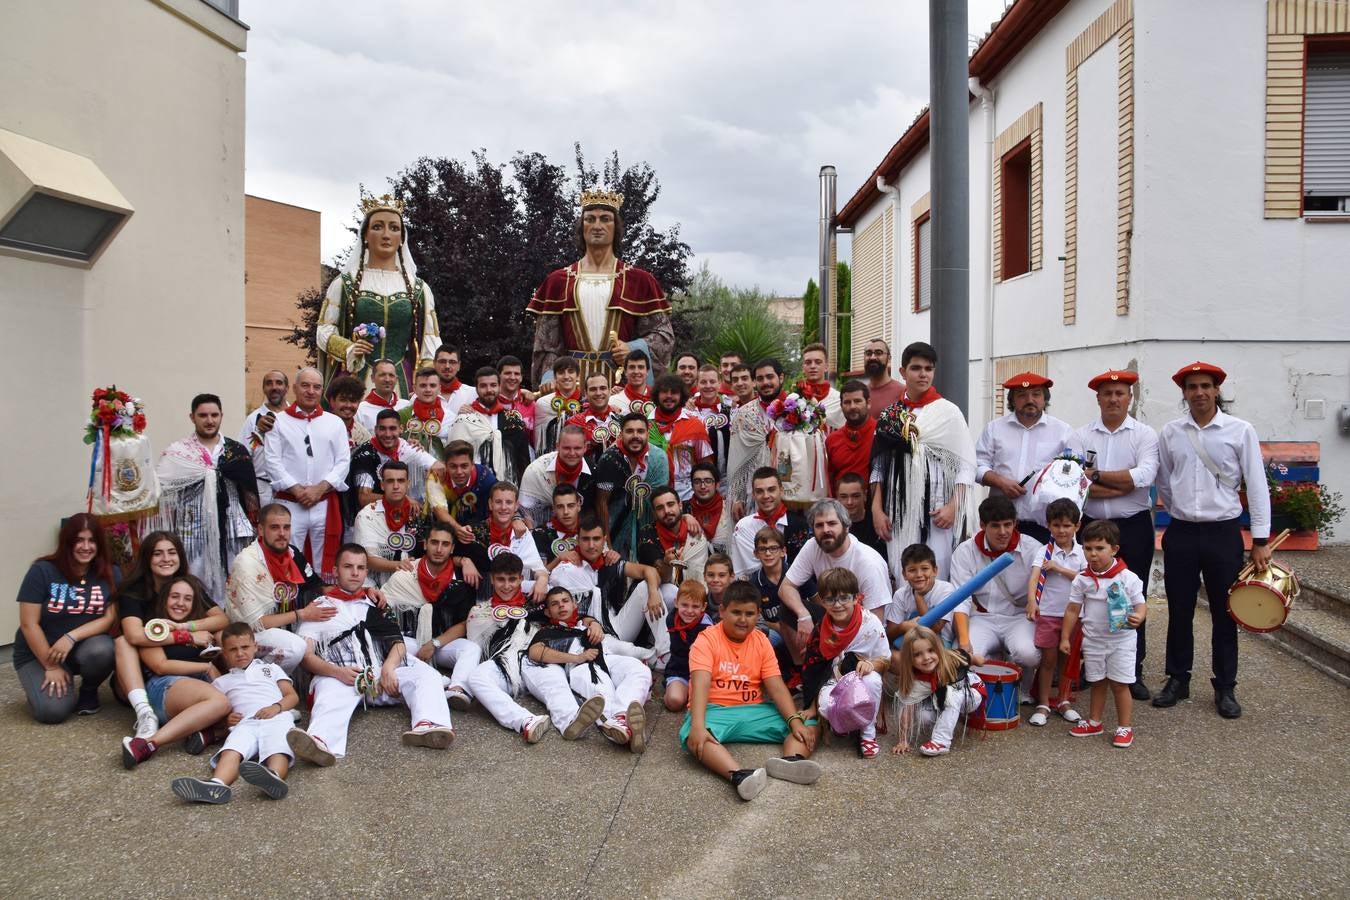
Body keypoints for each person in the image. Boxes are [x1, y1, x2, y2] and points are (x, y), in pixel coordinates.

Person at [1154, 361, 1270, 719]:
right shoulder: (1171, 432)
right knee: (1180, 611)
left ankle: (1225, 687)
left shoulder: (1239, 430)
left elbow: (1256, 482)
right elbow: (1164, 482)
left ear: (1217, 389)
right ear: (1184, 393)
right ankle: (1177, 679)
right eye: (1192, 387)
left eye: (1206, 386)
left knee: (1225, 613)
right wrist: (1183, 513)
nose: (1200, 392)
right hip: (1183, 532)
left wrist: (1261, 539)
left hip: (1223, 533)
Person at [287, 544, 454, 767]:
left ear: (367, 572)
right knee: (329, 691)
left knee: (427, 676)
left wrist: (388, 667)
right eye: (348, 567)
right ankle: (321, 743)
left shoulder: (375, 602)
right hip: (341, 675)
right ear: (335, 570)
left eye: (360, 567)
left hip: (380, 675)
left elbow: (398, 642)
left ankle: (429, 725)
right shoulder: (319, 607)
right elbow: (306, 656)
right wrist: (337, 672)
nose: (355, 573)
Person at [681, 581, 820, 802]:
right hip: (715, 711)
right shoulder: (706, 639)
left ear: (758, 615)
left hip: (753, 710)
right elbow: (700, 684)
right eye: (736, 612)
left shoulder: (761, 641)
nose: (743, 620)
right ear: (722, 611)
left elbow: (776, 686)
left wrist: (794, 720)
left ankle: (791, 761)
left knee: (808, 722)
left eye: (749, 614)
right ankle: (739, 775)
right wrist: (698, 725)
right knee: (692, 735)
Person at [527, 189, 673, 388]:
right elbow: (546, 343)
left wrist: (632, 348)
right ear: (581, 226)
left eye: (605, 219)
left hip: (621, 385)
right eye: (590, 219)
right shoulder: (558, 281)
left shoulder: (639, 280)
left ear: (616, 227)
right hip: (571, 386)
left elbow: (663, 335)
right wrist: (549, 377)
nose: (597, 226)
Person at [1074, 368, 1160, 701]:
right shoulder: (1081, 436)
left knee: (1133, 595)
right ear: (1098, 398)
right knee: (1088, 596)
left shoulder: (1144, 435)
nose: (1113, 399)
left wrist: (1097, 479)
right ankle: (1088, 667)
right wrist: (1117, 485)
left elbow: (1145, 475)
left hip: (1133, 526)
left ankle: (1132, 670)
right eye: (1107, 394)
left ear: (1130, 397)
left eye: (1120, 393)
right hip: (1092, 524)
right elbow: (1076, 483)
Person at [870, 341, 976, 581]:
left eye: (928, 368)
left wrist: (953, 505)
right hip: (898, 511)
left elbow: (966, 465)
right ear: (902, 372)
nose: (923, 374)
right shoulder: (891, 415)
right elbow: (878, 466)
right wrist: (876, 509)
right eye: (916, 368)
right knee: (902, 573)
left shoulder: (949, 412)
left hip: (937, 511)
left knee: (936, 577)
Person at [317, 192, 439, 395]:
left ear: (402, 238)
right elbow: (324, 329)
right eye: (377, 226)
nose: (386, 234)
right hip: (354, 378)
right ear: (365, 235)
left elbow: (430, 340)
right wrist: (349, 348)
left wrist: (425, 379)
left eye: (393, 228)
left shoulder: (420, 289)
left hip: (403, 381)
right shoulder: (343, 284)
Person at [168, 622, 298, 804]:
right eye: (233, 649)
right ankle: (217, 784)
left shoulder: (271, 669)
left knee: (278, 749)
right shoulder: (222, 682)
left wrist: (276, 707)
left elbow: (291, 696)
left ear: (255, 647)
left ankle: (273, 777)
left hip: (276, 717)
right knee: (231, 751)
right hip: (244, 723)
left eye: (245, 647)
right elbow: (216, 711)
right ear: (224, 653)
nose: (240, 653)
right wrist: (226, 721)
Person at [149, 393, 259, 600]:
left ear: (221, 416)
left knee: (237, 579)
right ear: (192, 417)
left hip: (232, 528)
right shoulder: (178, 453)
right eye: (203, 415)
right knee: (194, 579)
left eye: (214, 415)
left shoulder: (236, 450)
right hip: (193, 529)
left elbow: (250, 493)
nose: (209, 420)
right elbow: (161, 489)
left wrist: (255, 524)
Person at [13, 514, 118, 723]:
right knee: (52, 712)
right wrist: (50, 666)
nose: (86, 547)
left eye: (92, 541)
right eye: (79, 540)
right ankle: (49, 681)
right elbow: (28, 623)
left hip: (81, 648)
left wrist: (71, 637)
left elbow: (108, 619)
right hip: (38, 653)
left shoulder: (110, 573)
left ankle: (88, 690)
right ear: (67, 542)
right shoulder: (42, 571)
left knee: (105, 649)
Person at [120, 575, 232, 768]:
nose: (180, 603)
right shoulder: (154, 626)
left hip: (194, 689)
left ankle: (209, 734)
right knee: (220, 702)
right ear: (165, 598)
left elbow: (222, 620)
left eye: (187, 599)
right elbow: (160, 666)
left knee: (236, 705)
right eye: (175, 597)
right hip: (165, 686)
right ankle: (147, 745)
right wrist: (206, 666)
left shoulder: (198, 627)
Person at [525, 586, 653, 752]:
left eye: (565, 601)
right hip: (581, 667)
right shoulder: (548, 631)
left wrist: (594, 624)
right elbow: (535, 652)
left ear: (574, 605)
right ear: (548, 612)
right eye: (555, 604)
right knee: (601, 691)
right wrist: (577, 658)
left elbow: (590, 620)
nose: (562, 606)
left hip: (606, 658)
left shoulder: (584, 622)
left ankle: (622, 716)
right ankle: (620, 726)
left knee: (639, 670)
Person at [1061, 520, 1148, 747]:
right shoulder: (1082, 579)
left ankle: (1124, 727)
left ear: (1114, 549)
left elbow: (1141, 604)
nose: (1093, 554)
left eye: (1100, 548)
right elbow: (1072, 610)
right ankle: (1094, 721)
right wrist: (1065, 637)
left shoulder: (1128, 578)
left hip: (1122, 640)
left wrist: (1139, 616)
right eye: (1088, 548)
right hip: (1093, 640)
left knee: (1120, 684)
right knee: (1097, 681)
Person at [949, 496, 1045, 699]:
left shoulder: (1033, 548)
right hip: (983, 617)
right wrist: (965, 642)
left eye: (1008, 525)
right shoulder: (965, 551)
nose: (1003, 532)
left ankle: (1024, 690)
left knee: (1027, 654)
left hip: (1020, 617)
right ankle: (987, 671)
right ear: (983, 525)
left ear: (1015, 523)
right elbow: (961, 599)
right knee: (964, 656)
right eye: (995, 526)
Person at [775, 499, 892, 661]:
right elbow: (785, 587)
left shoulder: (868, 562)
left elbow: (876, 622)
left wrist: (835, 647)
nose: (826, 530)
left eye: (831, 523)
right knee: (787, 610)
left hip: (861, 630)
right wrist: (803, 616)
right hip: (832, 617)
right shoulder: (813, 546)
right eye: (819, 525)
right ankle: (802, 670)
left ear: (846, 526)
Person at [382, 521, 479, 710]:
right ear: (425, 544)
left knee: (471, 649)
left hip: (441, 643)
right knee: (387, 647)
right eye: (434, 543)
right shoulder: (406, 573)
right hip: (409, 642)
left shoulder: (462, 579)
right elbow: (384, 610)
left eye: (445, 544)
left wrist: (434, 644)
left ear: (452, 548)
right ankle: (436, 679)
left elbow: (464, 623)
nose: (439, 549)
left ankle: (457, 689)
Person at [266, 366, 351, 580]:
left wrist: (319, 488)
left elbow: (343, 462)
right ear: (294, 388)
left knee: (325, 560)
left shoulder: (335, 423)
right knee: (290, 554)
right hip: (291, 504)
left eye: (316, 387)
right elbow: (272, 461)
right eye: (305, 385)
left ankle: (321, 601)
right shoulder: (279, 422)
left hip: (323, 502)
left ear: (322, 391)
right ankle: (292, 602)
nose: (311, 391)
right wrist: (297, 490)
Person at [222, 503, 329, 672]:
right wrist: (301, 614)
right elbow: (256, 623)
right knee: (296, 647)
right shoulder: (247, 563)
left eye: (286, 527)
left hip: (285, 624)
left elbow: (318, 586)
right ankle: (261, 680)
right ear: (261, 530)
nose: (282, 534)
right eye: (275, 528)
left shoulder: (291, 553)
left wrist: (360, 592)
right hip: (247, 635)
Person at [113, 531, 200, 738]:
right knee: (123, 641)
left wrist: (186, 627)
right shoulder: (133, 592)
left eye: (172, 552)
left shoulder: (186, 584)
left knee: (222, 633)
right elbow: (134, 636)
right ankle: (144, 713)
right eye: (158, 554)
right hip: (140, 676)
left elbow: (220, 618)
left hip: (177, 668)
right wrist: (186, 637)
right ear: (147, 558)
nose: (166, 559)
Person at [550, 515, 669, 663]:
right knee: (628, 650)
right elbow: (545, 583)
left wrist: (653, 593)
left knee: (646, 586)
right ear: (578, 540)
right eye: (586, 539)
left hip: (617, 625)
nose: (591, 545)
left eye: (596, 539)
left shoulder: (610, 562)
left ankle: (665, 652)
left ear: (604, 540)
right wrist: (558, 559)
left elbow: (649, 571)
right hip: (589, 633)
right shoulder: (567, 568)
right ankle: (657, 660)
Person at [463, 553, 555, 743]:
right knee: (477, 677)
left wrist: (591, 621)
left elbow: (567, 617)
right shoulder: (479, 611)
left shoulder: (539, 606)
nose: (506, 586)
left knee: (561, 688)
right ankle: (526, 721)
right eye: (501, 580)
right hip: (503, 666)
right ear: (491, 579)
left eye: (512, 579)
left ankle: (577, 718)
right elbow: (478, 650)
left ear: (521, 578)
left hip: (536, 662)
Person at [800, 568, 890, 759]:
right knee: (826, 707)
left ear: (856, 597)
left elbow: (885, 658)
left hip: (860, 678)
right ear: (822, 602)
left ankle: (868, 734)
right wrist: (812, 706)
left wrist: (871, 664)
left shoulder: (870, 623)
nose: (838, 605)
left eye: (844, 598)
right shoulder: (822, 627)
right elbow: (814, 667)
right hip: (833, 681)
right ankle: (843, 722)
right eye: (830, 599)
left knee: (873, 680)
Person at [975, 372, 1074, 543]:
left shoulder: (1063, 431)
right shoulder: (994, 429)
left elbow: (1072, 475)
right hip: (1002, 523)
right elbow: (976, 466)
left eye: (1036, 394)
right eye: (1022, 395)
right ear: (1012, 401)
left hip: (1044, 523)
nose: (1030, 400)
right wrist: (1000, 482)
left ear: (1045, 399)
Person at [727, 357, 829, 510]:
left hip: (795, 493)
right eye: (760, 378)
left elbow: (815, 450)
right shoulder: (744, 415)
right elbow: (737, 461)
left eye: (770, 377)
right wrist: (736, 498)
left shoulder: (801, 408)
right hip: (757, 495)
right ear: (754, 382)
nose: (765, 382)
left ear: (780, 378)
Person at [1025, 498, 1086, 727]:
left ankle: (1063, 700)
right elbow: (1033, 578)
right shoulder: (1044, 551)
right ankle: (1042, 703)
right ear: (1049, 526)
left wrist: (1059, 569)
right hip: (1049, 613)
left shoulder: (1082, 553)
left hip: (1074, 615)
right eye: (1057, 525)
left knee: (1068, 660)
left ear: (1076, 526)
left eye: (1067, 525)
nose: (1062, 530)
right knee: (1048, 660)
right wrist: (1032, 601)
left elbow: (1085, 579)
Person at [890, 625, 984, 757]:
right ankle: (948, 721)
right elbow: (907, 710)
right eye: (917, 654)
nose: (926, 657)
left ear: (938, 649)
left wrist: (980, 660)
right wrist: (903, 741)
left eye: (930, 650)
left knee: (952, 694)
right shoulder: (917, 681)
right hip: (941, 698)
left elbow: (974, 659)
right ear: (909, 659)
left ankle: (941, 742)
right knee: (924, 716)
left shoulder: (951, 658)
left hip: (972, 694)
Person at [593, 412, 670, 558]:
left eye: (640, 431)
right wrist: (607, 546)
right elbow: (602, 503)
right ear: (621, 433)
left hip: (651, 528)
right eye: (629, 431)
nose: (635, 436)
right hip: (617, 527)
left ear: (648, 432)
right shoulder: (609, 459)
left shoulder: (659, 458)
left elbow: (661, 499)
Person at [460, 482, 549, 603]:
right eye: (498, 502)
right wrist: (463, 561)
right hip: (482, 600)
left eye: (509, 502)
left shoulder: (522, 532)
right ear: (490, 504)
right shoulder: (473, 532)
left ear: (516, 506)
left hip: (516, 599)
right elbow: (451, 554)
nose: (503, 507)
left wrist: (542, 580)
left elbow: (538, 568)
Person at [447, 366, 529, 484]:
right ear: (476, 388)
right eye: (483, 386)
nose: (489, 390)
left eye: (493, 385)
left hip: (508, 488)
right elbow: (453, 456)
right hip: (474, 487)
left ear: (500, 386)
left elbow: (523, 458)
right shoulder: (464, 420)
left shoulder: (513, 419)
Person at [350, 408, 444, 508]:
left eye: (392, 428)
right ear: (375, 429)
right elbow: (364, 498)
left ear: (401, 429)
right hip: (373, 515)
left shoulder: (407, 447)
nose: (387, 434)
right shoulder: (365, 454)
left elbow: (440, 467)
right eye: (382, 429)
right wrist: (402, 500)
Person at [730, 467, 810, 577]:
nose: (766, 496)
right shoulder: (744, 527)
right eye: (759, 491)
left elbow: (805, 566)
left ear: (781, 491)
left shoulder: (800, 525)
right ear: (753, 494)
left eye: (771, 489)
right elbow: (751, 570)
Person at [884, 543, 967, 650]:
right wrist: (903, 626)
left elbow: (934, 629)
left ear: (935, 570)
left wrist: (918, 596)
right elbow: (889, 635)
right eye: (912, 570)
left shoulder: (945, 589)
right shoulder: (900, 594)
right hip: (910, 642)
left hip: (939, 643)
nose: (919, 575)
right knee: (892, 656)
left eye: (924, 568)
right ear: (904, 574)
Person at [353, 461, 423, 587]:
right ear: (382, 485)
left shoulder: (418, 515)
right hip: (374, 588)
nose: (396, 486)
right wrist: (397, 565)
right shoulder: (367, 515)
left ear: (408, 484)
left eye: (401, 481)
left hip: (411, 585)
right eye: (390, 481)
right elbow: (365, 559)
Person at [635, 486, 709, 596]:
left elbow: (701, 574)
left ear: (680, 505)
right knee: (669, 591)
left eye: (670, 504)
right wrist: (666, 563)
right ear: (654, 513)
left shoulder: (695, 532)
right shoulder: (647, 535)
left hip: (695, 598)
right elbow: (661, 578)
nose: (667, 511)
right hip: (658, 596)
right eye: (660, 508)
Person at [648, 373, 712, 502]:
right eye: (664, 392)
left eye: (674, 392)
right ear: (657, 394)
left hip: (687, 496)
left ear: (681, 396)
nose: (669, 396)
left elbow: (706, 463)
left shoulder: (695, 424)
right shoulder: (645, 424)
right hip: (652, 496)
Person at [518, 425, 593, 525]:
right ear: (557, 446)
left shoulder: (592, 471)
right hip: (539, 530)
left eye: (577, 448)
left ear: (585, 448)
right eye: (567, 448)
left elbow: (592, 511)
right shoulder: (536, 471)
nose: (572, 453)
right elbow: (524, 513)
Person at [426, 440, 498, 540]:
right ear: (445, 465)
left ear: (472, 465)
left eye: (464, 466)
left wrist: (517, 519)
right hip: (444, 532)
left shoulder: (486, 478)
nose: (459, 472)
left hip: (478, 529)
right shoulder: (435, 477)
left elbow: (502, 501)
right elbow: (440, 511)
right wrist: (459, 530)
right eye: (453, 466)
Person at [240, 369, 289, 506]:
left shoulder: (295, 417)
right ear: (264, 388)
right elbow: (244, 456)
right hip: (263, 488)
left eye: (279, 383)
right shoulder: (252, 419)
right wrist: (247, 491)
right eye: (269, 383)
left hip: (291, 489)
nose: (274, 387)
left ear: (287, 387)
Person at [662, 581, 713, 712]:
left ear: (703, 607)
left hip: (703, 673)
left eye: (695, 606)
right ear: (676, 603)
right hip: (679, 670)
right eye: (685, 605)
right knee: (675, 702)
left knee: (710, 702)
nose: (689, 611)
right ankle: (676, 689)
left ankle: (691, 692)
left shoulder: (707, 628)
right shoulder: (672, 619)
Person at [825, 380, 876, 492]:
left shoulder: (881, 434)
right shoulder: (832, 440)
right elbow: (829, 480)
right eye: (847, 402)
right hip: (840, 506)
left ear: (868, 403)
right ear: (841, 406)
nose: (852, 406)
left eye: (857, 401)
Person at [691, 364, 734, 483]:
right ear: (697, 384)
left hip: (728, 478)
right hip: (700, 480)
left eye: (712, 381)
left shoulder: (730, 410)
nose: (708, 386)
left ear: (719, 383)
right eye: (703, 382)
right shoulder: (689, 412)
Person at [567, 371, 621, 463]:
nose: (598, 393)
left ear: (609, 391)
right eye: (593, 389)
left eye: (603, 388)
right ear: (586, 393)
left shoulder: (621, 421)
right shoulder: (574, 423)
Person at [533, 356, 583, 455]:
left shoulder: (586, 403)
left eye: (571, 371)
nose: (566, 376)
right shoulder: (543, 404)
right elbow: (539, 442)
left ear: (578, 376)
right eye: (561, 372)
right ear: (555, 377)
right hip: (551, 458)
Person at [399, 367, 453, 457]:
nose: (428, 390)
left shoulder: (450, 418)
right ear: (415, 388)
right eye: (423, 385)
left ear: (439, 389)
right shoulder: (401, 415)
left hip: (440, 468)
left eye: (432, 385)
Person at [532, 483, 584, 569]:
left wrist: (610, 555)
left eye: (571, 506)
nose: (566, 512)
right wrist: (559, 559)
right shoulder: (541, 533)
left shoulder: (590, 529)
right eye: (560, 507)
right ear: (554, 508)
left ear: (578, 506)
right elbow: (538, 574)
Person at [794, 342, 845, 429]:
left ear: (826, 367)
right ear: (803, 368)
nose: (813, 366)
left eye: (818, 362)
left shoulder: (839, 399)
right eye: (808, 362)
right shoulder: (794, 399)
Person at [685, 461, 732, 554]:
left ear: (717, 485)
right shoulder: (684, 509)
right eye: (697, 482)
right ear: (692, 486)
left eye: (708, 481)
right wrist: (684, 516)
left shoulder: (730, 508)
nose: (702, 486)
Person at [355, 358, 412, 433]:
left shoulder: (406, 405)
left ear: (396, 379)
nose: (387, 379)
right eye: (382, 375)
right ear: (372, 378)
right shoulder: (360, 410)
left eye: (391, 375)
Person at [836, 473, 884, 556]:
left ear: (865, 495)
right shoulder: (832, 526)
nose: (849, 502)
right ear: (837, 498)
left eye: (855, 496)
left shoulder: (877, 523)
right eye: (844, 497)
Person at [326, 375, 373, 453]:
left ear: (359, 403)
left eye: (353, 400)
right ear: (332, 401)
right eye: (343, 400)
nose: (348, 405)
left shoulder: (364, 436)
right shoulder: (320, 428)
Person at [496, 355, 537, 444]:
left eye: (517, 374)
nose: (512, 377)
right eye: (508, 373)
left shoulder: (531, 404)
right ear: (499, 376)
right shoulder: (489, 401)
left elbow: (535, 439)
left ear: (521, 377)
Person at [861, 338, 904, 417]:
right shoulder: (860, 393)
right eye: (868, 353)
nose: (873, 357)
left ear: (889, 358)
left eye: (878, 353)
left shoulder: (903, 393)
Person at [434, 345, 478, 417]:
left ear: (459, 366)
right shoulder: (422, 395)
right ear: (434, 364)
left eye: (452, 362)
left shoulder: (473, 394)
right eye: (442, 362)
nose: (447, 366)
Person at [609, 350, 653, 418]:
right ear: (625, 372)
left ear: (647, 371)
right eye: (632, 367)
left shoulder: (657, 400)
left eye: (640, 367)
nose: (636, 371)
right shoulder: (614, 401)